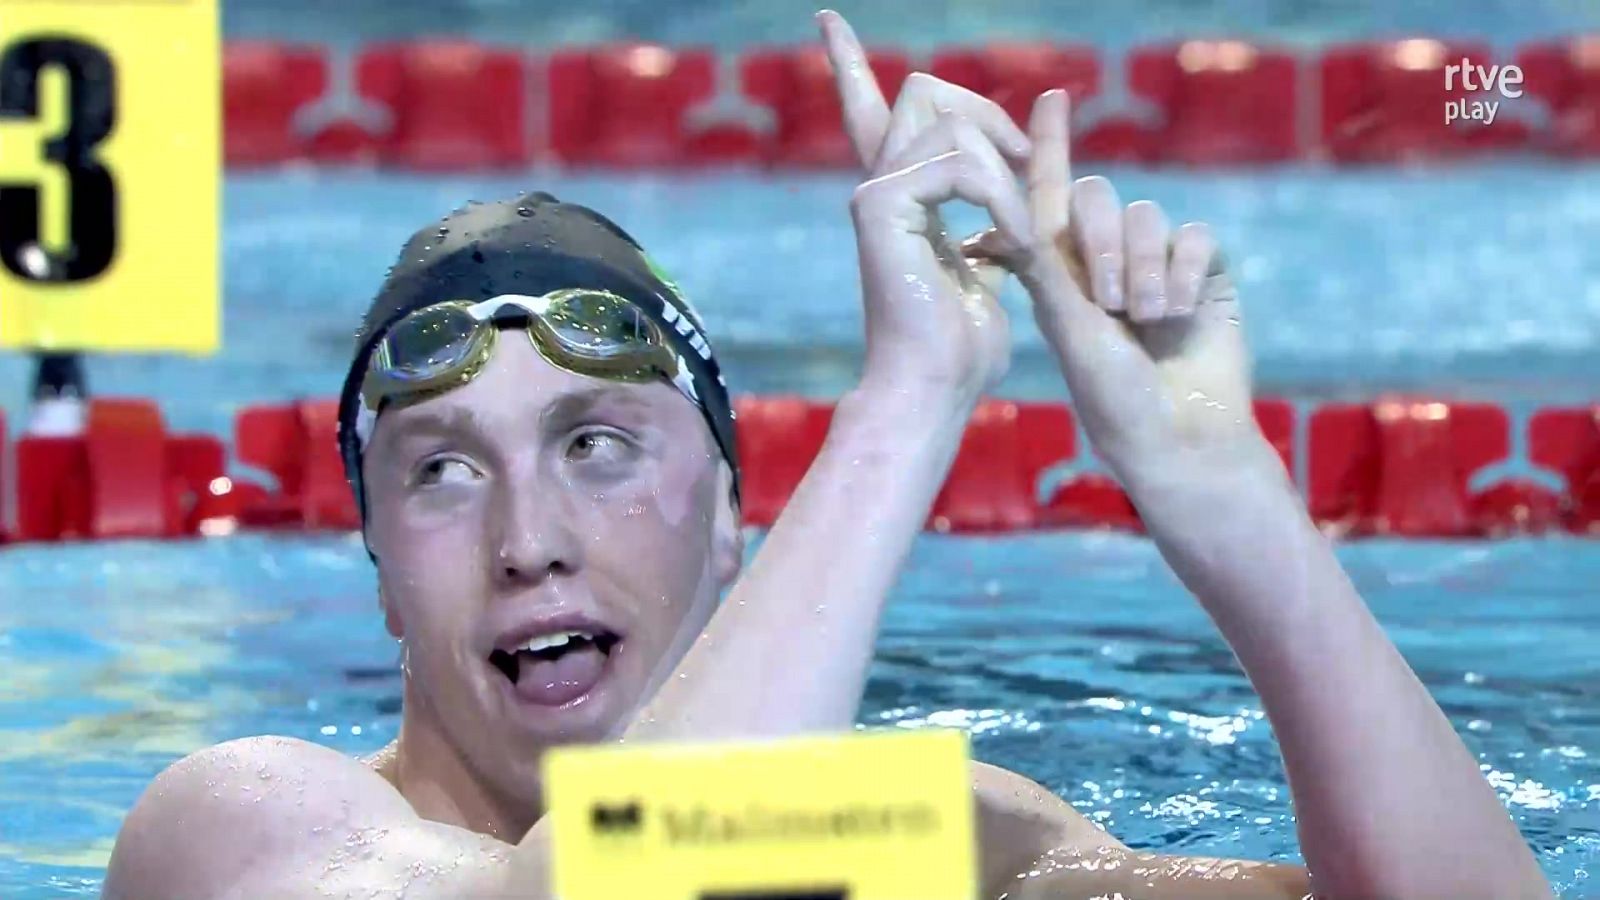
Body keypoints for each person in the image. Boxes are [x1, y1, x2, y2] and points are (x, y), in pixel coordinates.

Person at [103, 11, 1550, 899]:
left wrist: (1231, 508)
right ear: (373, 570)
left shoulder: (920, 839)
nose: (527, 537)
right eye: (442, 471)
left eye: (598, 444)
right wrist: (916, 390)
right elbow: (605, 886)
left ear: (735, 518)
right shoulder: (246, 832)